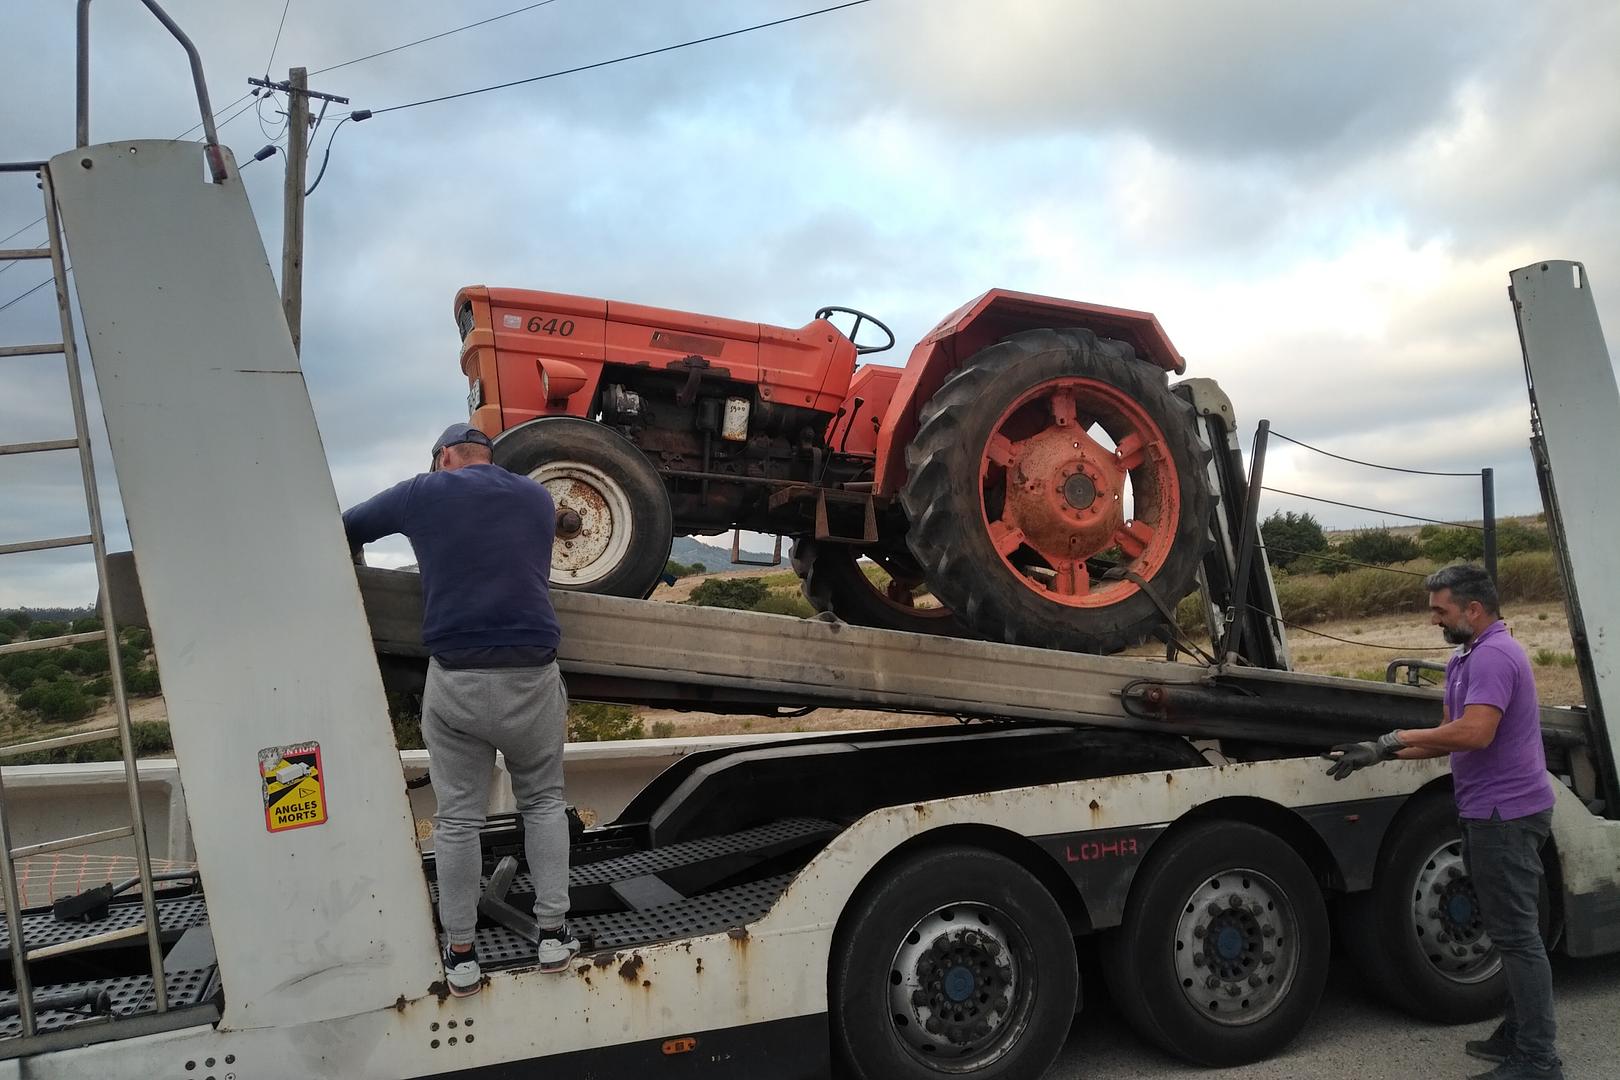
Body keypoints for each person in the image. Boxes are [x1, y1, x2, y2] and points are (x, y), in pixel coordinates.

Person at [343, 422, 578, 996]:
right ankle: (552, 934)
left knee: (458, 820)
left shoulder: (424, 490)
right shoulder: (535, 496)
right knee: (544, 801)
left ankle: (461, 952)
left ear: (444, 456)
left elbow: (348, 525)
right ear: (487, 457)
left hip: (458, 679)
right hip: (532, 675)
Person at [1325, 563, 1560, 1080]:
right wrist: (1382, 753)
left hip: (1507, 813)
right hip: (1487, 809)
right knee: (1510, 933)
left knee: (1517, 937)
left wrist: (1395, 738)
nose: (1433, 619)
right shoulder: (1469, 656)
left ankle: (1538, 1060)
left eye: (1441, 609)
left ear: (1473, 610)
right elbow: (1448, 735)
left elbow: (1475, 733)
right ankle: (1519, 1035)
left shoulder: (1495, 655)